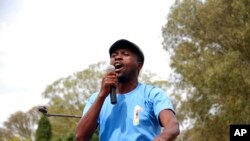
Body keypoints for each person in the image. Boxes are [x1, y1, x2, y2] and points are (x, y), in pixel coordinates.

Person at [76, 39, 180, 141]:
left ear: (139, 64)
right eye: (114, 55)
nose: (117, 57)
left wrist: (162, 138)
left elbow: (172, 125)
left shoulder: (152, 94)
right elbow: (81, 137)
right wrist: (102, 95)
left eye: (125, 54)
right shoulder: (96, 99)